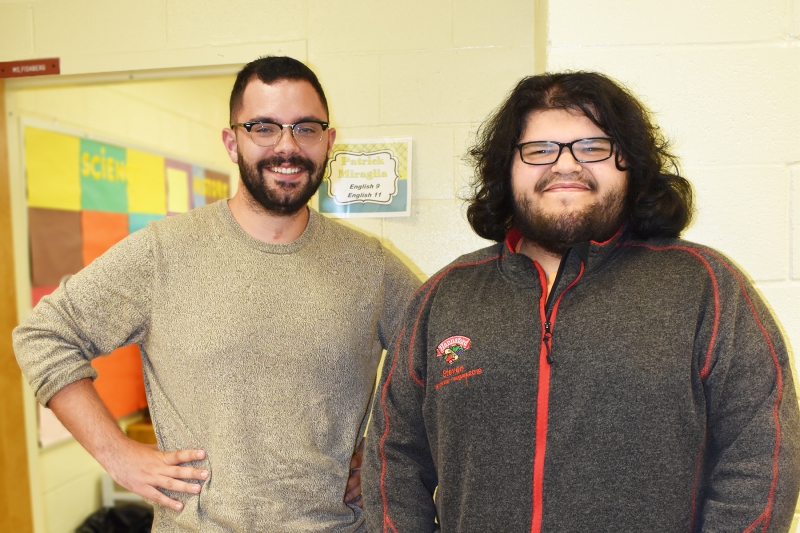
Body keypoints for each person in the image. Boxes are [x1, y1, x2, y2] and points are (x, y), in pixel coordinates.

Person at [363, 72, 800, 532]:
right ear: (506, 168)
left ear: (629, 162)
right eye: (540, 150)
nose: (566, 165)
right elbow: (394, 457)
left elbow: (761, 455)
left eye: (593, 147)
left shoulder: (704, 286)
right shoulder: (443, 297)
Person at [14, 56, 420, 532]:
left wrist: (379, 455)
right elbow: (43, 335)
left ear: (329, 141)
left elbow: (440, 366)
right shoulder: (164, 252)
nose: (287, 147)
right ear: (233, 142)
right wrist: (118, 454)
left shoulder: (371, 266)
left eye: (306, 128)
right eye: (263, 127)